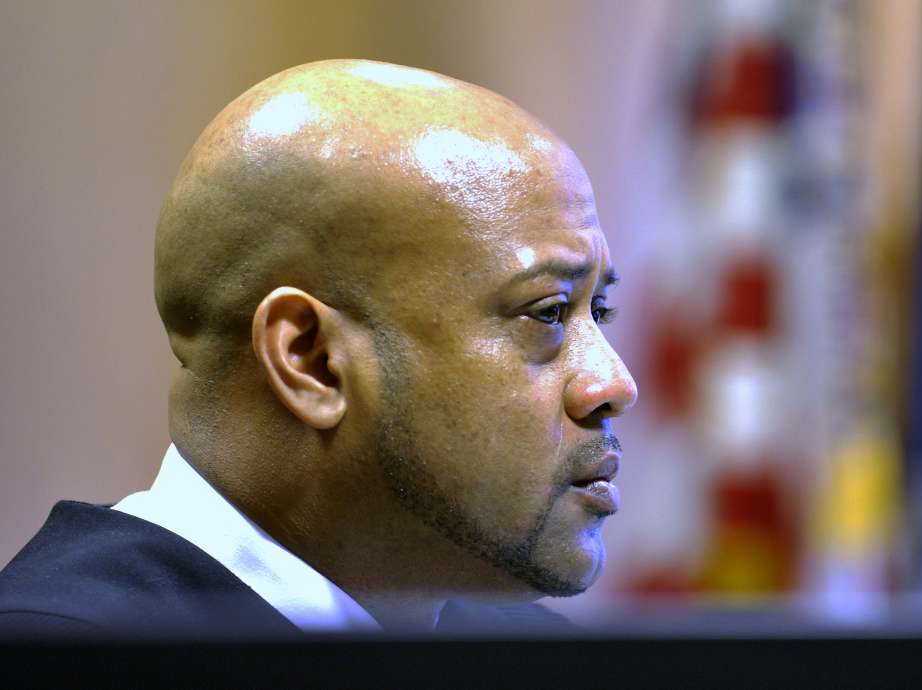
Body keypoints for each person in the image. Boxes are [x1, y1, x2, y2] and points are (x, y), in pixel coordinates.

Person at [0, 59, 637, 635]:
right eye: (548, 312)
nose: (615, 385)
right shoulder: (60, 655)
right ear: (311, 360)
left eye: (600, 310)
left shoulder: (541, 655)